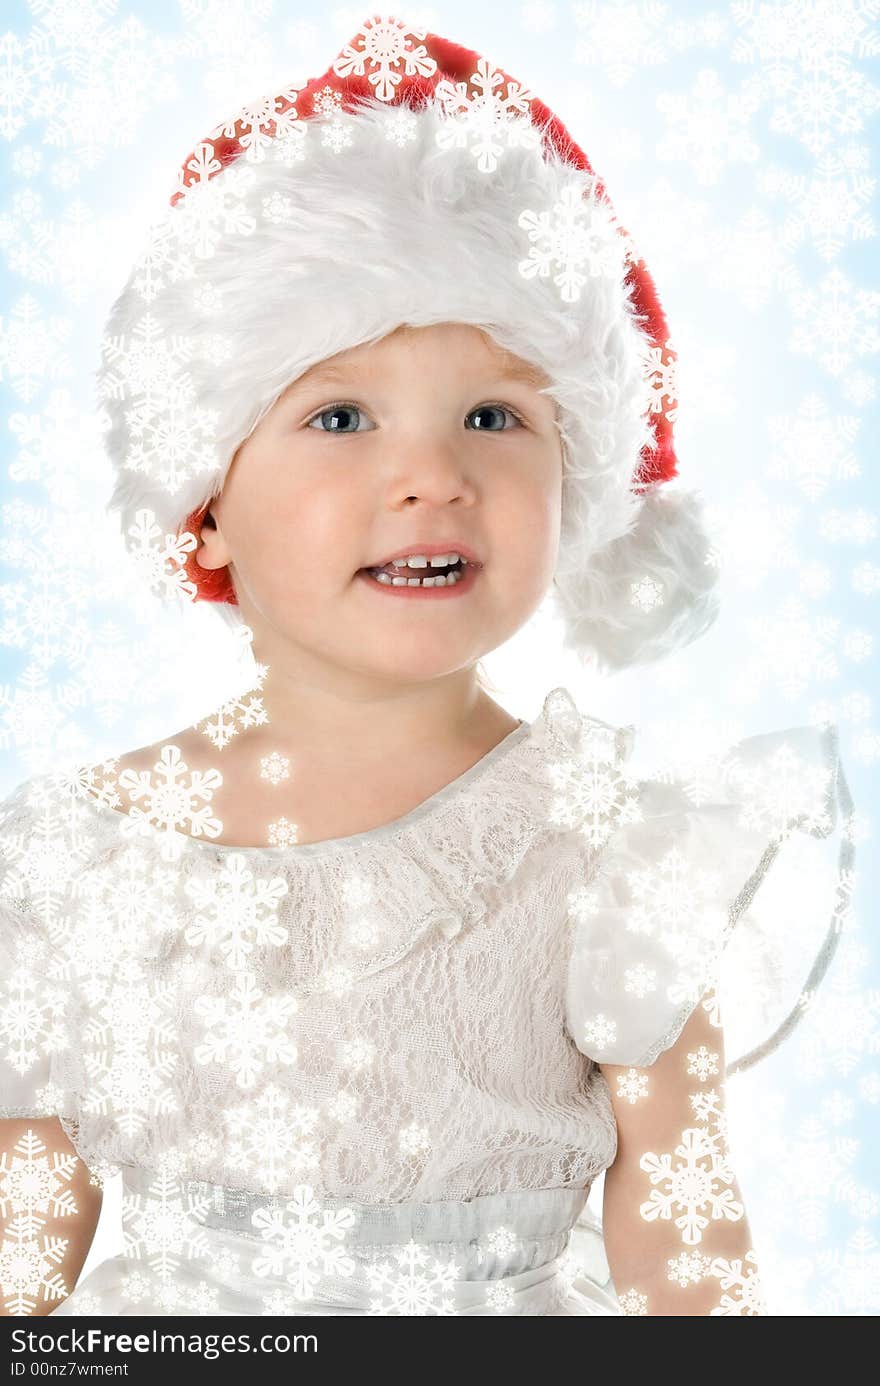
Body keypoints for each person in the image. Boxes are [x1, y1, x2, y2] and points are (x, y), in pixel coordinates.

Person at [0, 18, 855, 1317]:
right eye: (339, 415)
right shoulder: (80, 857)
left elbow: (682, 1218)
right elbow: (26, 1227)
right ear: (206, 506)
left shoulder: (611, 843)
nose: (434, 476)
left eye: (495, 416)